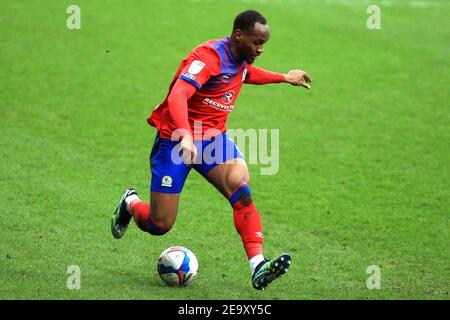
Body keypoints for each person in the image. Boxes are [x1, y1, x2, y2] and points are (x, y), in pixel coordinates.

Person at [111, 9, 312, 290]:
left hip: (211, 139)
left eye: (264, 43)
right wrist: (184, 135)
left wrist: (284, 77)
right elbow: (179, 94)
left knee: (238, 182)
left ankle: (258, 265)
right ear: (238, 35)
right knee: (160, 224)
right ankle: (130, 203)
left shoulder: (241, 59)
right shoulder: (209, 58)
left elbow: (246, 74)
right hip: (175, 141)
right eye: (257, 42)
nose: (261, 49)